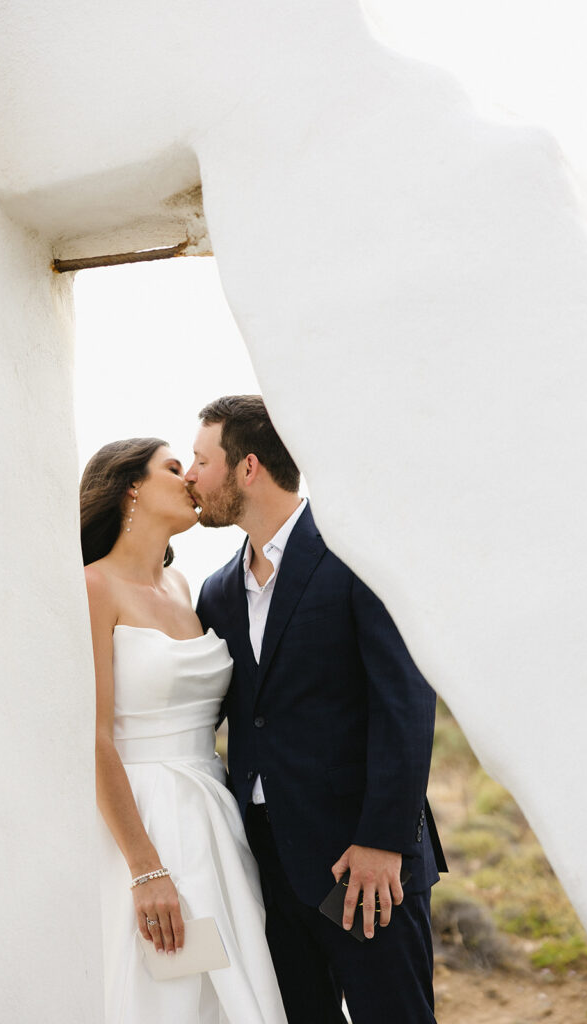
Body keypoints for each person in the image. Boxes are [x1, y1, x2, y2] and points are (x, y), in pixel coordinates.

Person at [186, 396, 447, 1024]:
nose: (190, 476)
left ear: (248, 467)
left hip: (361, 863)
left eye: (200, 460)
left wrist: (383, 842)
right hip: (267, 867)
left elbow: (405, 702)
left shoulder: (355, 553)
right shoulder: (217, 592)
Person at [80, 437, 287, 1024]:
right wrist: (146, 870)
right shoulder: (94, 588)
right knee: (165, 992)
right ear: (132, 487)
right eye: (175, 468)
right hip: (143, 817)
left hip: (215, 814)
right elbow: (93, 738)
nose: (191, 478)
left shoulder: (188, 590)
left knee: (235, 982)